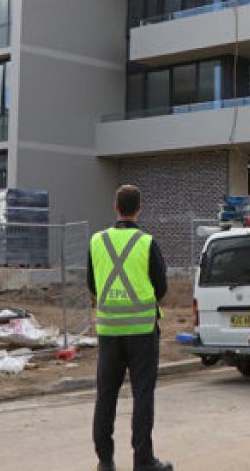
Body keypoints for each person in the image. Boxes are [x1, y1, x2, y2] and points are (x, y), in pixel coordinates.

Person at [88, 185, 173, 471]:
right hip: (141, 332)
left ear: (115, 207)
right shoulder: (147, 243)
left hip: (109, 331)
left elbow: (92, 284)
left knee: (106, 394)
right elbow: (161, 287)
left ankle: (104, 460)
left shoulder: (97, 242)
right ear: (139, 208)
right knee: (143, 395)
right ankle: (143, 462)